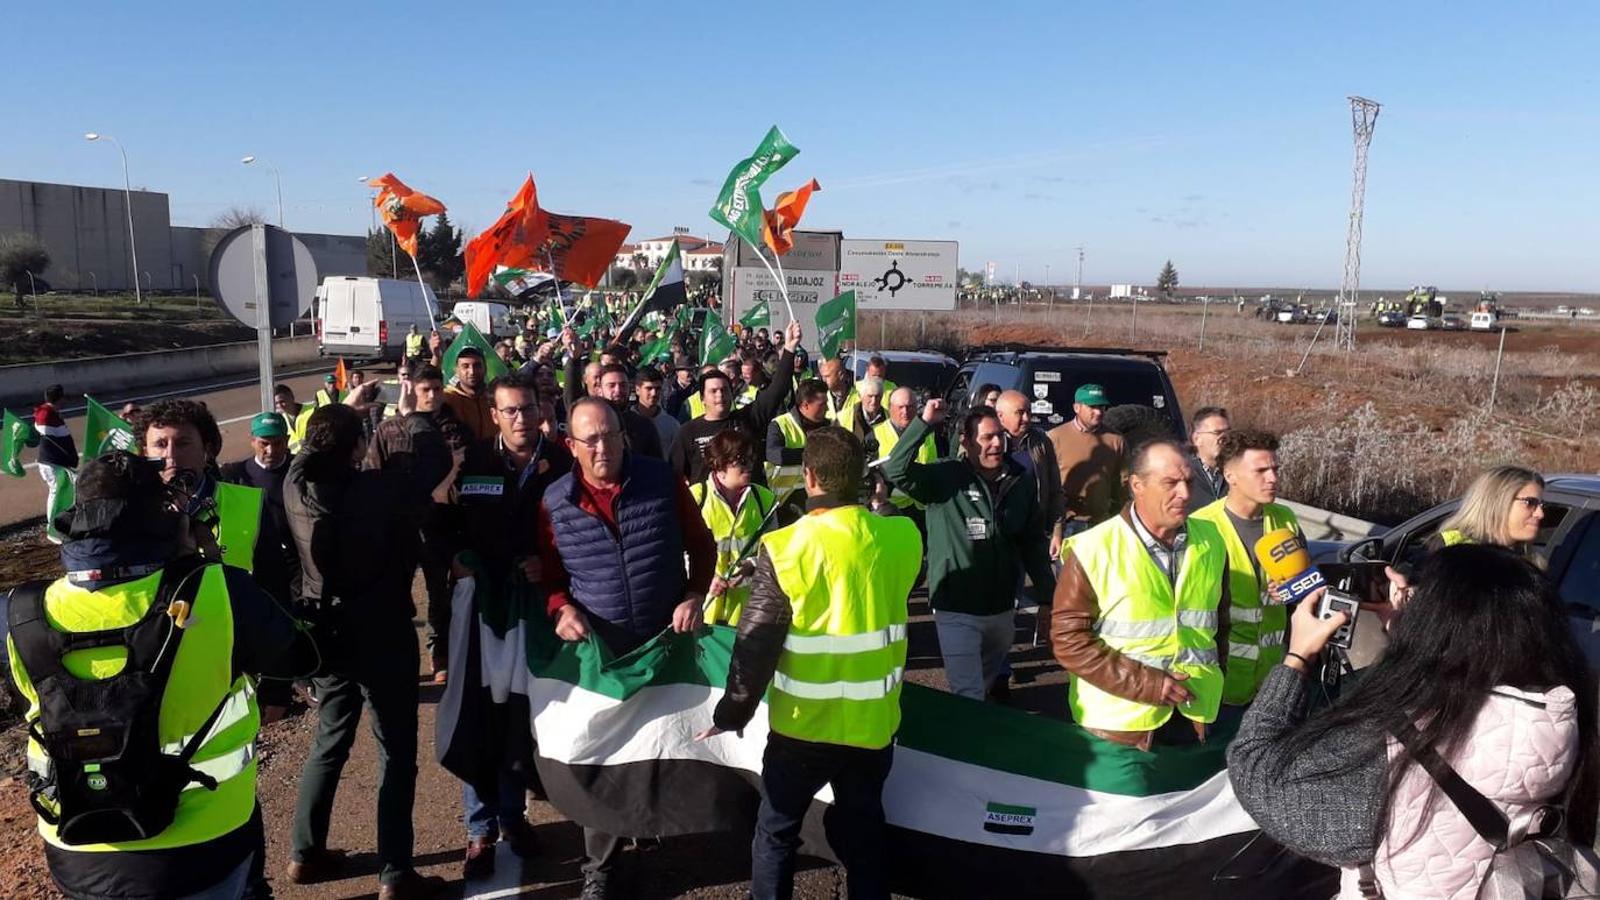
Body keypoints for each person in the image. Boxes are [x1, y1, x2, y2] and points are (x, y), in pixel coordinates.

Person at [4, 451, 314, 900]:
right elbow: (297, 656)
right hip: (201, 842)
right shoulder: (220, 591)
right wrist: (204, 560)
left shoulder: (20, 611)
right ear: (165, 517)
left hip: (77, 844)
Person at [1227, 545, 1598, 899]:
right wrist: (1408, 639)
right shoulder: (1563, 720)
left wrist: (1298, 656)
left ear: (1437, 627)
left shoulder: (1398, 741)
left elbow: (1256, 769)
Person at [698, 427, 921, 900]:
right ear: (862, 476)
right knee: (865, 839)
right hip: (873, 727)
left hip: (801, 730)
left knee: (776, 835)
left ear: (810, 476)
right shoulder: (902, 536)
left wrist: (731, 714)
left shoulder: (784, 548)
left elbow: (755, 644)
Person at [535, 398, 717, 899]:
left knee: (662, 742)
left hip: (665, 642)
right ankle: (602, 868)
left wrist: (694, 594)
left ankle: (653, 823)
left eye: (609, 435)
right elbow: (549, 579)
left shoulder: (661, 480)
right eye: (588, 439)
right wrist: (560, 609)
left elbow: (703, 547)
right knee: (606, 759)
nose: (601, 447)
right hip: (604, 653)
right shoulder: (554, 502)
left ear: (624, 436)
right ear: (571, 445)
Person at [284, 403, 455, 899]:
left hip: (329, 635)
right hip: (382, 633)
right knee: (396, 753)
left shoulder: (297, 488)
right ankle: (395, 872)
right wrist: (419, 416)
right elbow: (435, 462)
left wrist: (337, 427)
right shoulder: (379, 490)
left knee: (330, 742)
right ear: (357, 447)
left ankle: (304, 851)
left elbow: (303, 458)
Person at [450, 372, 569, 880]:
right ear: (494, 415)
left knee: (521, 717)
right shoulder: (475, 460)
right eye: (510, 411)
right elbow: (448, 523)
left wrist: (551, 565)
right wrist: (456, 558)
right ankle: (479, 831)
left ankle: (514, 816)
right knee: (481, 714)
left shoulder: (562, 463)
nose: (521, 419)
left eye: (527, 408)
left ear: (541, 409)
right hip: (483, 607)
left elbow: (577, 531)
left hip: (536, 610)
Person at [1050, 439, 1229, 750]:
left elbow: (1219, 626)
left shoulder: (1212, 540)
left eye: (1188, 481)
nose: (1185, 494)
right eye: (1171, 483)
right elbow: (1069, 640)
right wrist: (1148, 684)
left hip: (1194, 715)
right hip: (1118, 726)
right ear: (1137, 485)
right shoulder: (1093, 548)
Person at [882, 401, 1056, 701]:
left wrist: (1047, 597)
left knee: (985, 686)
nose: (996, 444)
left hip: (1002, 608)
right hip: (956, 607)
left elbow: (1033, 542)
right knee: (968, 693)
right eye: (986, 437)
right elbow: (896, 469)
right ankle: (969, 745)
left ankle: (977, 735)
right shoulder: (945, 478)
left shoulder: (1021, 481)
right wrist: (924, 424)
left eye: (999, 436)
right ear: (965, 442)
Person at [368, 362, 467, 682]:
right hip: (402, 527)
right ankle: (396, 655)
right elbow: (373, 473)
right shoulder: (390, 429)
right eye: (426, 390)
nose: (433, 396)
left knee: (441, 593)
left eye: (437, 389)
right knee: (396, 591)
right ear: (412, 390)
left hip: (444, 522)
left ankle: (440, 653)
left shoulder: (454, 428)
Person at [1188, 429, 1300, 709]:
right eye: (1261, 471)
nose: (1272, 478)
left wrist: (1292, 588)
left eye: (1275, 469)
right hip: (1219, 687)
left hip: (1272, 685)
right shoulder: (1200, 526)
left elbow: (1305, 585)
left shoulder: (1285, 519)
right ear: (1231, 476)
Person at [219, 411, 304, 721]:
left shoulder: (297, 470)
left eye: (279, 443)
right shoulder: (234, 474)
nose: (271, 451)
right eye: (265, 444)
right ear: (252, 441)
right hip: (250, 563)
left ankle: (286, 687)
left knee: (289, 622)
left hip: (293, 562)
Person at [135, 399, 266, 574]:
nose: (170, 455)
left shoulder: (251, 503)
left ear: (207, 450)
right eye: (160, 445)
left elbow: (274, 587)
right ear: (144, 453)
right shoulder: (129, 512)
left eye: (183, 444)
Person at [668, 320, 801, 484]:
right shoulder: (688, 432)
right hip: (709, 509)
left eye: (724, 390)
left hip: (749, 504)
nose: (720, 395)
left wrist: (790, 348)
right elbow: (673, 477)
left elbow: (778, 390)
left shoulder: (748, 419)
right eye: (713, 391)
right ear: (702, 398)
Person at [692, 430, 776, 625]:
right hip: (704, 613)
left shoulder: (765, 500)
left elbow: (775, 553)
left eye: (751, 459)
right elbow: (678, 553)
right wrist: (705, 580)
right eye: (741, 460)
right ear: (719, 465)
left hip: (749, 614)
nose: (749, 465)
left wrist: (751, 565)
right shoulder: (696, 497)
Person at [1046, 383, 1125, 544]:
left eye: (1102, 407)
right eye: (1092, 407)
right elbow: (1047, 486)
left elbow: (1122, 484)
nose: (1098, 412)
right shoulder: (1055, 438)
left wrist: (1118, 517)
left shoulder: (1116, 440)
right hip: (1068, 525)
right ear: (1077, 407)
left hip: (1102, 524)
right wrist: (1056, 530)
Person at [995, 390, 1063, 556]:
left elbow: (1055, 489)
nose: (1026, 418)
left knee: (1047, 582)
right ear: (1000, 416)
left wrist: (1057, 532)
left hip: (1034, 532)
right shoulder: (987, 441)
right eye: (1020, 413)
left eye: (1029, 412)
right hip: (999, 534)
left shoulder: (1040, 442)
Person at [1428, 465, 1546, 554]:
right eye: (1530, 503)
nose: (1540, 514)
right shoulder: (1449, 549)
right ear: (1497, 501)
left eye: (1541, 504)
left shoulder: (1530, 561)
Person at [870, 387, 938, 525]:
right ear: (890, 408)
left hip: (923, 509)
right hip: (891, 511)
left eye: (910, 407)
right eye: (900, 407)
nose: (905, 412)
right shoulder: (875, 435)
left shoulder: (928, 433)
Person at [765, 379, 831, 514]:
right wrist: (813, 455)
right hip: (785, 502)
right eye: (822, 404)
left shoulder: (829, 426)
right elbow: (774, 455)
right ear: (806, 405)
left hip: (820, 497)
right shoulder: (780, 424)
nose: (827, 408)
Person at [33, 384, 80, 544]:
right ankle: (53, 527)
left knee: (63, 490)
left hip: (55, 462)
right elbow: (54, 439)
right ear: (59, 398)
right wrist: (69, 457)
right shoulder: (46, 414)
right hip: (52, 462)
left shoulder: (47, 413)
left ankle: (62, 522)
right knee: (56, 492)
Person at [595, 363, 664, 459]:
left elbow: (656, 467)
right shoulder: (591, 425)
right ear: (599, 390)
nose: (618, 390)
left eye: (623, 385)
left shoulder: (644, 426)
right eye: (611, 385)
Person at [444, 346, 496, 441]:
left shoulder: (496, 397)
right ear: (456, 370)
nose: (472, 371)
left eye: (477, 365)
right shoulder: (448, 399)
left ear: (485, 368)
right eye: (465, 366)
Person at [1185, 406, 1231, 513]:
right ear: (1197, 439)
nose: (1224, 438)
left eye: (1227, 432)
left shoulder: (1237, 472)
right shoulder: (1184, 475)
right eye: (1217, 433)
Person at [632, 366, 679, 453]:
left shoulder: (671, 424)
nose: (654, 393)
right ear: (637, 390)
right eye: (649, 389)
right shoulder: (626, 421)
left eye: (658, 389)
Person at [817, 357, 859, 429]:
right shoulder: (820, 398)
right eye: (823, 377)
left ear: (841, 375)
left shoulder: (859, 397)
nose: (824, 380)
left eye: (827, 376)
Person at [274, 384, 314, 454]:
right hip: (294, 457)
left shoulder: (312, 411)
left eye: (282, 401)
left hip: (312, 454)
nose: (280, 406)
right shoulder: (281, 419)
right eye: (276, 403)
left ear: (292, 397)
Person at [851, 377, 888, 452]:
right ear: (861, 396)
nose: (873, 401)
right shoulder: (845, 417)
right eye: (870, 396)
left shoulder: (890, 417)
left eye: (877, 396)